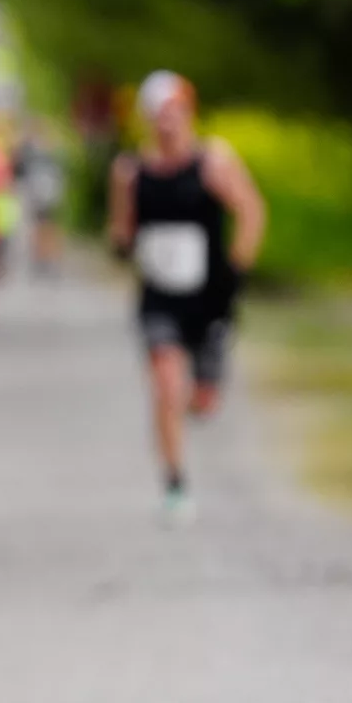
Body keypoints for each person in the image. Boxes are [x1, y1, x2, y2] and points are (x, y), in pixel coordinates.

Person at [107, 70, 267, 522]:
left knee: (201, 399)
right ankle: (175, 482)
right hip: (159, 297)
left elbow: (251, 211)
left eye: (175, 114)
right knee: (165, 385)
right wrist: (121, 245)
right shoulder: (130, 172)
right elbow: (122, 229)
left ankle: (207, 381)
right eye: (159, 116)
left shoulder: (213, 162)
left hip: (210, 297)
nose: (168, 124)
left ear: (189, 113)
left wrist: (238, 268)